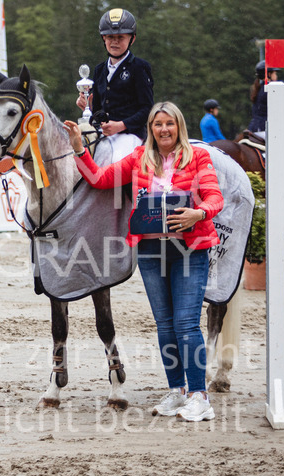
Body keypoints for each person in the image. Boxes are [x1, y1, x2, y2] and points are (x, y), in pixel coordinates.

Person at [64, 102, 224, 422]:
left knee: (186, 324)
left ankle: (199, 395)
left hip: (189, 250)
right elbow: (98, 178)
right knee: (165, 326)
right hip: (151, 252)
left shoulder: (198, 156)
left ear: (179, 126)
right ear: (150, 128)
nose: (163, 129)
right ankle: (177, 391)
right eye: (157, 124)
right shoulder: (139, 158)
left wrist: (199, 212)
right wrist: (80, 149)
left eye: (169, 123)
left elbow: (214, 197)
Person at [77, 8, 155, 162]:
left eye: (121, 37)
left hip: (130, 135)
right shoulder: (100, 70)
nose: (115, 41)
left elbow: (147, 109)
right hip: (104, 134)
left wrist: (121, 125)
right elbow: (99, 111)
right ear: (104, 38)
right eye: (110, 37)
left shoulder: (139, 67)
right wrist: (89, 107)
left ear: (131, 39)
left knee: (118, 163)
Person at [248, 60, 279, 134]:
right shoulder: (270, 90)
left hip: (254, 127)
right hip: (264, 128)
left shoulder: (259, 88)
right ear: (268, 74)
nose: (276, 75)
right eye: (275, 73)